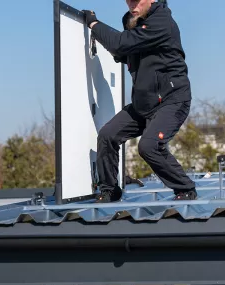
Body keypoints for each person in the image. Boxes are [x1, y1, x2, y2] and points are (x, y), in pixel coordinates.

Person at [82, 0, 197, 204]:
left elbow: (119, 43)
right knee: (107, 136)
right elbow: (124, 51)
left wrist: (94, 24)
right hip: (143, 105)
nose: (132, 5)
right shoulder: (133, 21)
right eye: (129, 1)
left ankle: (185, 189)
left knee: (149, 146)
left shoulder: (162, 21)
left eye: (137, 0)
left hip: (171, 100)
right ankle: (109, 190)